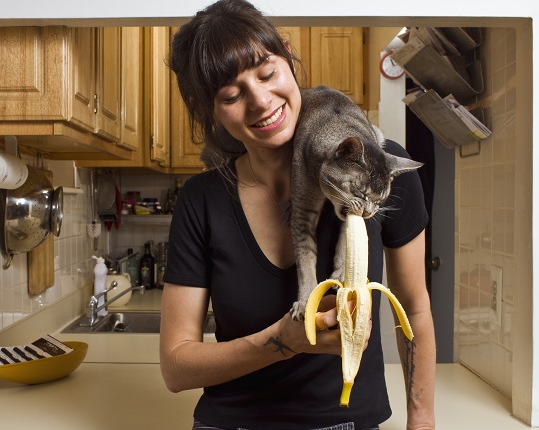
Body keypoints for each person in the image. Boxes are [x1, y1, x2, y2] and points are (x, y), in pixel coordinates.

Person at [160, 1, 436, 429]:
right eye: (231, 95)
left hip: (348, 420)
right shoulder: (201, 200)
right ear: (210, 110)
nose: (260, 101)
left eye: (267, 73)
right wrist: (283, 342)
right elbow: (176, 368)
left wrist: (422, 419)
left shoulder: (380, 168)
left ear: (287, 57)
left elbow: (414, 310)